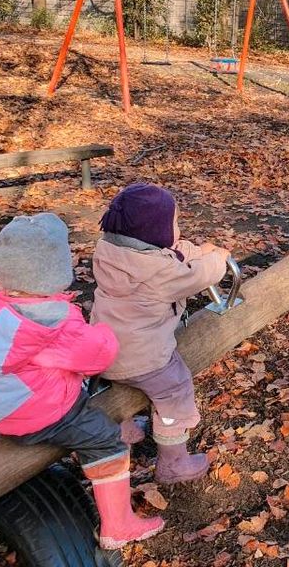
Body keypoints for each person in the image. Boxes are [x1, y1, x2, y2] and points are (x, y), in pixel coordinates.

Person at [0, 213, 164, 550]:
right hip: (39, 414)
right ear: (55, 272)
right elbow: (99, 356)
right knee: (105, 440)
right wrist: (102, 330)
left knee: (81, 386)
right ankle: (118, 524)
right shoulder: (53, 324)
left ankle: (125, 427)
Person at [92, 184, 229, 485]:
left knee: (114, 388)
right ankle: (174, 463)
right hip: (142, 357)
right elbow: (193, 275)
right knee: (175, 390)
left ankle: (123, 431)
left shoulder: (110, 250)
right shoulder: (158, 273)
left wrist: (197, 250)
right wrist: (216, 259)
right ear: (154, 230)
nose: (178, 230)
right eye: (174, 224)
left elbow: (170, 255)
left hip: (101, 349)